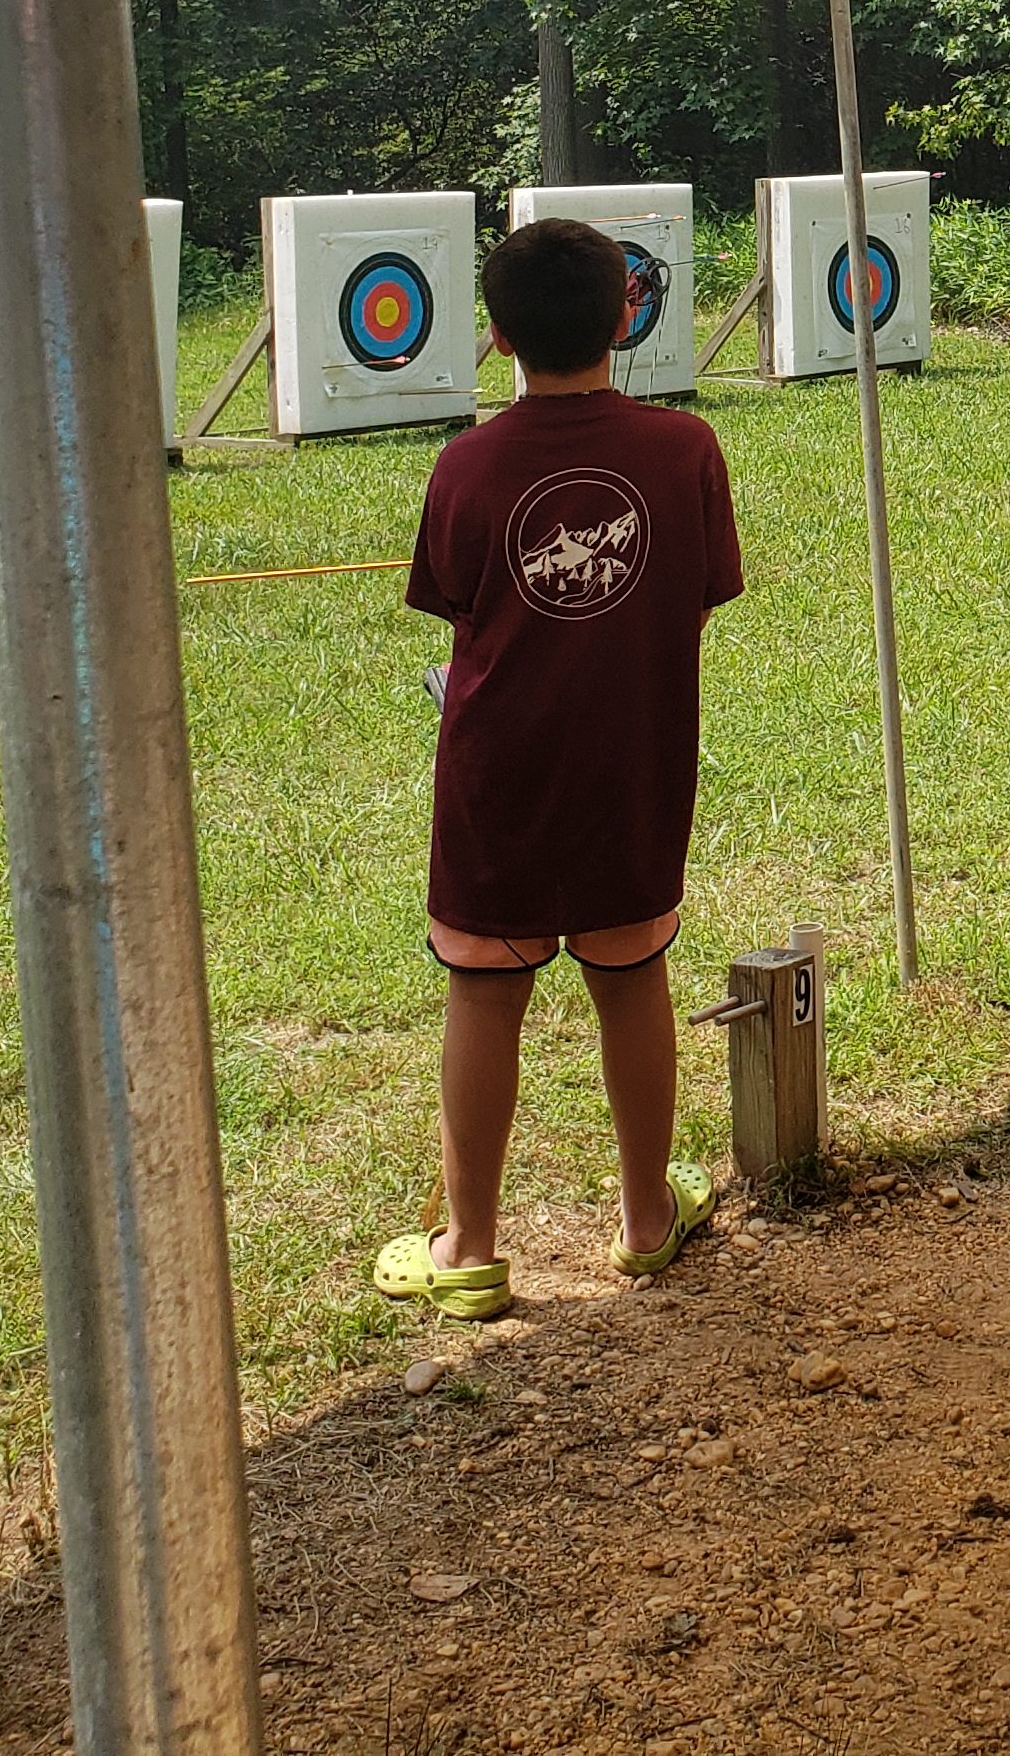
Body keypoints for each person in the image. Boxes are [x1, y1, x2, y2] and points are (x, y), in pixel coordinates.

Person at [377, 219, 743, 1324]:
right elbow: (693, 598)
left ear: (495, 335)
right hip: (632, 761)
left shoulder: (466, 463)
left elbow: (457, 608)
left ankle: (469, 1251)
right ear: (627, 317)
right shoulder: (686, 450)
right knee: (630, 975)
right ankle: (645, 1219)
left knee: (486, 987)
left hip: (499, 774)